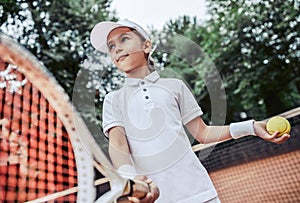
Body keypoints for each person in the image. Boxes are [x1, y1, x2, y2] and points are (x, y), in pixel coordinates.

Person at [90, 20, 290, 203]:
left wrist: (251, 126)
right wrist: (132, 181)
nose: (117, 49)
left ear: (146, 46)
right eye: (111, 46)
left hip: (200, 192)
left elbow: (202, 133)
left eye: (124, 39)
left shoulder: (175, 86)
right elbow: (118, 146)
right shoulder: (113, 100)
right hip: (155, 198)